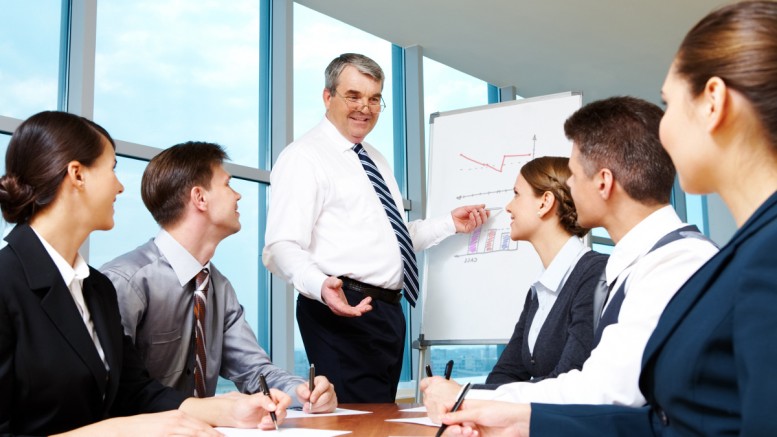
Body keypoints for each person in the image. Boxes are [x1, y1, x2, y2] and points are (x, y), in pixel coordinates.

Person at [437, 2, 777, 435]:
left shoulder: (749, 257)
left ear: (713, 101)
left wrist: (506, 411)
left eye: (668, 103)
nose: (663, 131)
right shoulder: (742, 253)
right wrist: (516, 419)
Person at [423, 95, 719, 420]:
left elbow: (602, 393)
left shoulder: (674, 264)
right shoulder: (639, 265)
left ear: (603, 182)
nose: (570, 189)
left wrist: (471, 399)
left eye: (575, 176)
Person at [0, 111, 288, 436]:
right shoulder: (6, 283)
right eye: (112, 169)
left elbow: (135, 391)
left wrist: (227, 409)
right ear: (77, 175)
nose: (121, 187)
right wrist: (123, 430)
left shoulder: (97, 289)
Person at [262, 53, 489, 403]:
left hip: (385, 313)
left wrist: (449, 224)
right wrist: (322, 287)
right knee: (355, 420)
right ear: (328, 97)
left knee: (379, 415)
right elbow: (282, 244)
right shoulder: (303, 157)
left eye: (373, 98)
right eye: (353, 96)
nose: (364, 108)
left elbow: (392, 238)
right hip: (341, 307)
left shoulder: (375, 158)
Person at [100, 141, 337, 412]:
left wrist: (303, 392)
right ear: (199, 198)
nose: (238, 196)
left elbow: (254, 371)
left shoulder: (218, 288)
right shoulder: (126, 281)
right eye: (227, 184)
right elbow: (111, 390)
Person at [480, 156, 607, 387]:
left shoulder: (595, 274)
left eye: (517, 194)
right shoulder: (538, 292)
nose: (509, 206)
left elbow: (568, 380)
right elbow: (505, 374)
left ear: (545, 202)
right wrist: (463, 397)